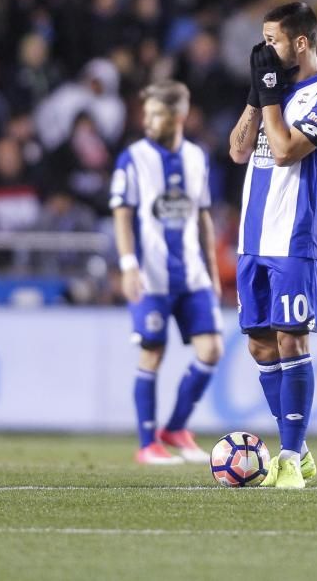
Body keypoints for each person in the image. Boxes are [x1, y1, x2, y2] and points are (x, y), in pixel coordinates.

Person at [228, 2, 317, 488]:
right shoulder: (270, 92)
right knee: (261, 346)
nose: (265, 50)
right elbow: (240, 150)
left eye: (273, 40)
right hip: (252, 237)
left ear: (301, 43)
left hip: (296, 237)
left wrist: (273, 97)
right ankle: (297, 446)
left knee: (290, 339)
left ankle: (290, 457)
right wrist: (259, 96)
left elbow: (283, 152)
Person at [110, 80, 223, 465]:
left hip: (192, 275)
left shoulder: (197, 157)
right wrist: (128, 265)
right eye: (146, 112)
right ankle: (147, 444)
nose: (147, 120)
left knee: (212, 349)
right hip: (151, 277)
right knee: (153, 352)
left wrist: (212, 268)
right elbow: (122, 214)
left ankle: (175, 427)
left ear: (178, 116)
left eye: (155, 113)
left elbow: (203, 217)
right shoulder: (134, 158)